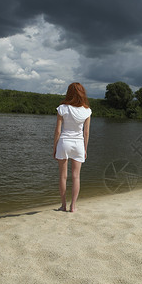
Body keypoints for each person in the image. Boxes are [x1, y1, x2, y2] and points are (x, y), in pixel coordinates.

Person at [53, 82, 92, 212]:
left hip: (64, 142)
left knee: (62, 176)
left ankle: (63, 205)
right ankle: (73, 206)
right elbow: (86, 133)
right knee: (76, 176)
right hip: (78, 144)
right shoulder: (87, 111)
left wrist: (55, 148)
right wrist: (85, 149)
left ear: (69, 93)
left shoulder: (62, 108)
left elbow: (58, 131)